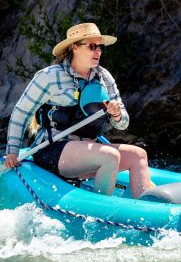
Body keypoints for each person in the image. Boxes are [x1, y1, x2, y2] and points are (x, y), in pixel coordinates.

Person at [4, 22, 155, 198]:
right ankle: (102, 210)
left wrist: (117, 114)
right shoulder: (49, 76)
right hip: (52, 149)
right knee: (110, 156)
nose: (98, 51)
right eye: (92, 46)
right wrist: (12, 151)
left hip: (89, 149)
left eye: (99, 46)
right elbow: (21, 112)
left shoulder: (104, 77)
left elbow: (123, 124)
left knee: (138, 154)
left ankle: (145, 206)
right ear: (75, 48)